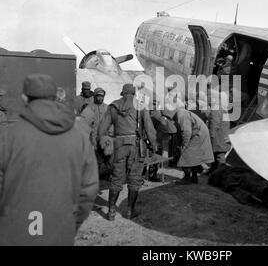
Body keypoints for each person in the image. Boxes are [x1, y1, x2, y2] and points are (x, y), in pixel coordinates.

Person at [0, 74, 99, 245]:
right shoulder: (79, 138)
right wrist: (72, 222)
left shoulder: (8, 136)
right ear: (56, 96)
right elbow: (88, 190)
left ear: (24, 97)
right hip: (60, 229)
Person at [98, 83, 157, 220]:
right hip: (136, 146)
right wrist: (154, 145)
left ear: (122, 93)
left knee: (116, 178)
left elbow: (102, 129)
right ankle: (130, 211)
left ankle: (111, 212)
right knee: (134, 179)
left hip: (119, 146)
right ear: (134, 93)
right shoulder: (140, 105)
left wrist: (104, 144)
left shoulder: (113, 106)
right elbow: (149, 129)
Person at [162, 100, 214, 185]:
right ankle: (194, 177)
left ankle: (187, 178)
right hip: (199, 133)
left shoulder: (181, 114)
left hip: (198, 134)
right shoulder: (180, 113)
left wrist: (183, 146)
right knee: (193, 156)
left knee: (186, 155)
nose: (167, 118)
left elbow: (186, 132)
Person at [206, 88, 230, 173]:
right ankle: (213, 170)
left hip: (218, 137)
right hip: (222, 137)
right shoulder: (221, 107)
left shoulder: (216, 109)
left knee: (219, 156)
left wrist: (210, 137)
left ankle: (220, 173)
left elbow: (214, 124)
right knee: (216, 154)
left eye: (208, 97)